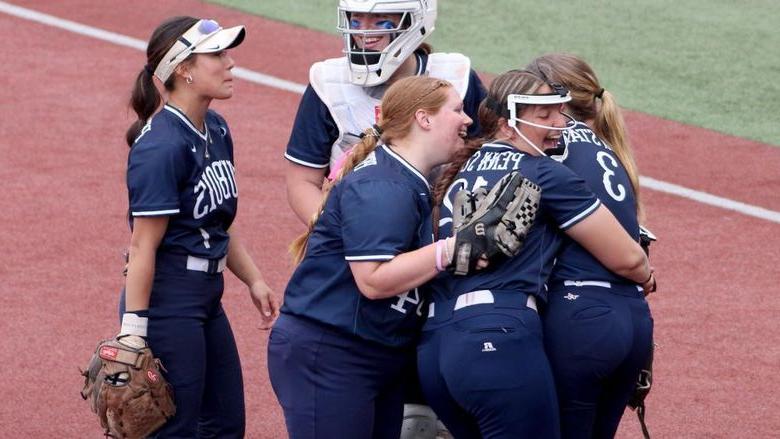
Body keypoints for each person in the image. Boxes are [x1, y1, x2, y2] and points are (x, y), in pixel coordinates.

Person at [418, 69, 656, 438]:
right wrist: (646, 276)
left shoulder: (455, 170)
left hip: (435, 345)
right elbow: (628, 257)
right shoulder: (544, 173)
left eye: (559, 112)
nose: (561, 123)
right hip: (499, 336)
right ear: (506, 124)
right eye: (544, 115)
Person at [268, 76, 474, 439]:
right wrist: (454, 248)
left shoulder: (406, 180)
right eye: (456, 110)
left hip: (369, 351)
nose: (467, 119)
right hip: (332, 353)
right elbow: (374, 279)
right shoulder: (383, 186)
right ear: (424, 119)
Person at [118, 16, 279, 437]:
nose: (230, 64)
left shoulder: (218, 129)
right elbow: (142, 246)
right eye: (218, 55)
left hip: (207, 297)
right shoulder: (161, 146)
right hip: (169, 301)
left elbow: (217, 223)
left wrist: (254, 279)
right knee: (176, 428)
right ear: (184, 69)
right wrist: (134, 331)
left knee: (225, 424)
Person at [526, 53, 655, 439]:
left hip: (579, 318)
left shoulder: (554, 146)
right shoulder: (609, 152)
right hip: (631, 319)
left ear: (554, 102)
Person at [284, 0, 486, 225]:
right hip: (355, 228)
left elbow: (492, 163)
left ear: (415, 21)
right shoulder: (328, 83)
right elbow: (302, 182)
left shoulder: (458, 78)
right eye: (356, 19)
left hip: (441, 233)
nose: (363, 31)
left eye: (381, 21)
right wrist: (339, 235)